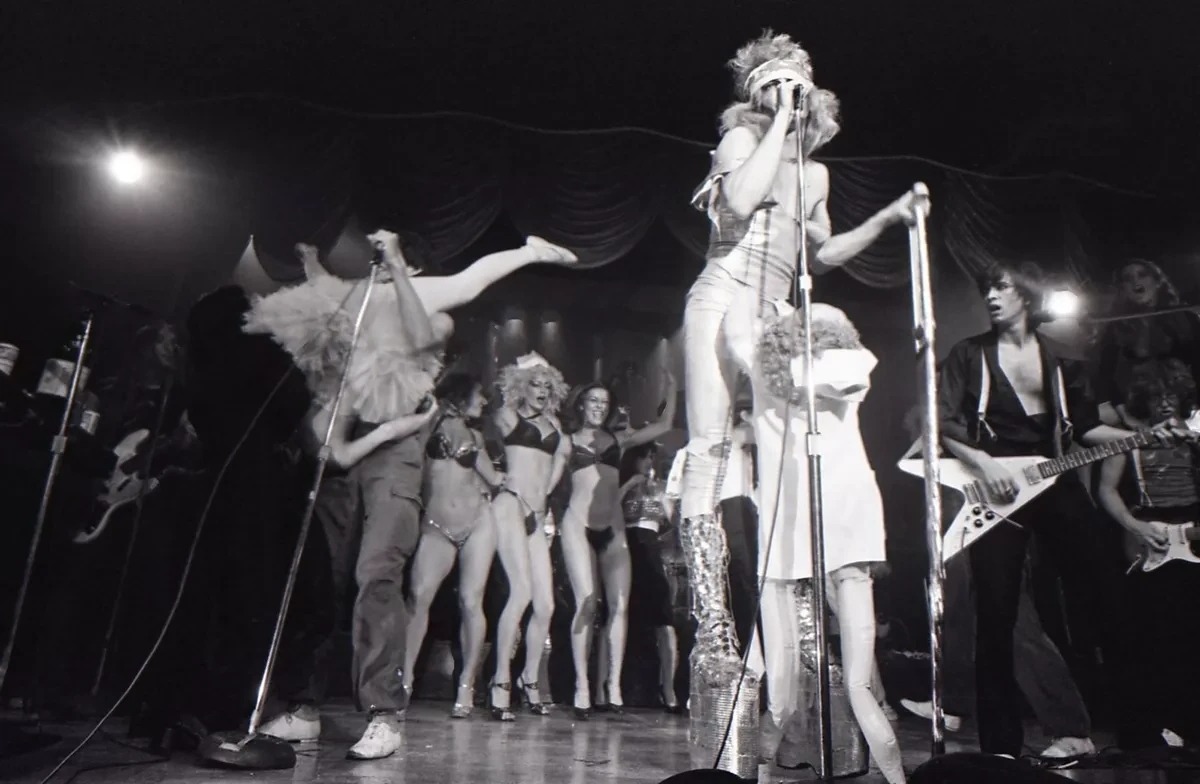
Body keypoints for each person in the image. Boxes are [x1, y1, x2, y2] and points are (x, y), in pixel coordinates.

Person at [249, 231, 576, 758]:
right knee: (321, 580)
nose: (376, 270)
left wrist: (531, 252)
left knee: (376, 573)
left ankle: (384, 713)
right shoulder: (356, 301)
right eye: (375, 265)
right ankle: (304, 707)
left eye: (387, 265)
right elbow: (322, 315)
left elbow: (470, 284)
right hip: (346, 448)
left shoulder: (424, 301)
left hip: (396, 453)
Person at [680, 31, 927, 671]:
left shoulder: (814, 172)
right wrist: (778, 124)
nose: (787, 94)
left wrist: (888, 216)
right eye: (775, 84)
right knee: (709, 446)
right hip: (723, 291)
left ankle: (796, 626)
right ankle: (713, 634)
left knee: (788, 444)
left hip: (779, 309)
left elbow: (824, 252)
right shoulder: (740, 141)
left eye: (796, 87)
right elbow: (736, 200)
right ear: (759, 92)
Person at [936, 260, 1184, 759]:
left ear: (1026, 295)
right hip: (997, 491)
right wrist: (984, 463)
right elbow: (943, 423)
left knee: (1109, 598)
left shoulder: (1061, 358)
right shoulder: (968, 355)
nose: (992, 296)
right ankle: (1000, 747)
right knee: (997, 616)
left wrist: (1145, 437)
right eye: (987, 288)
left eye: (1002, 287)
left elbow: (1087, 426)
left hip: (1055, 481)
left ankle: (1139, 733)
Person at [725, 291, 904, 782]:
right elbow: (737, 330)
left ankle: (896, 777)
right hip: (790, 525)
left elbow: (833, 377)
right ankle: (760, 769)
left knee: (860, 681)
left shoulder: (847, 364)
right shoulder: (769, 371)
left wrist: (776, 319)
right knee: (781, 686)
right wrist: (756, 296)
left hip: (843, 516)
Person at [1095, 358, 1200, 751]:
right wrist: (1134, 526)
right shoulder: (1128, 437)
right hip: (1150, 535)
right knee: (1153, 636)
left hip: (1193, 531)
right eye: (1157, 396)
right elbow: (1106, 489)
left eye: (1172, 394)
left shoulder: (1196, 431)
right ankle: (1159, 725)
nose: (1166, 403)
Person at [560, 375, 677, 718]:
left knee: (619, 607)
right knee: (586, 603)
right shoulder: (567, 441)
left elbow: (664, 424)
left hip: (612, 530)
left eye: (604, 403)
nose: (599, 407)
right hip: (577, 524)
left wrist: (670, 386)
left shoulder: (619, 439)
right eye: (593, 401)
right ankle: (582, 686)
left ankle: (613, 688)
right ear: (582, 404)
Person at [401, 372, 506, 718]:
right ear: (460, 395)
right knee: (418, 598)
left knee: (470, 601)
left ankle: (466, 685)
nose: (485, 401)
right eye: (479, 394)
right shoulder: (426, 425)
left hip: (478, 522)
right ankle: (403, 683)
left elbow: (492, 479)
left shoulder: (476, 434)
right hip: (436, 525)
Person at [487, 352, 571, 720]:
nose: (541, 390)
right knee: (520, 593)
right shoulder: (507, 415)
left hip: (538, 514)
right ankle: (499, 680)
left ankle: (530, 678)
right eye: (534, 383)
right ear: (522, 385)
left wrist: (543, 506)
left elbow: (554, 471)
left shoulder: (555, 424)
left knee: (546, 605)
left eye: (546, 384)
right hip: (509, 505)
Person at [619, 441, 684, 713]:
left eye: (651, 458)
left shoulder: (658, 489)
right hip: (625, 548)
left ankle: (667, 688)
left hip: (652, 549)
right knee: (625, 619)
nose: (648, 463)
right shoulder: (624, 484)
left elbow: (673, 523)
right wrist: (628, 485)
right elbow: (606, 509)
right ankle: (621, 688)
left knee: (664, 621)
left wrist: (664, 496)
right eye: (643, 458)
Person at [1095, 259, 1200, 428]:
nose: (1135, 281)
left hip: (1189, 410)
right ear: (1123, 289)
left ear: (1158, 282)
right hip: (1140, 414)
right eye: (1127, 279)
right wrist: (1128, 419)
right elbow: (1107, 378)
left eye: (1142, 275)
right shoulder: (1115, 327)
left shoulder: (1185, 318)